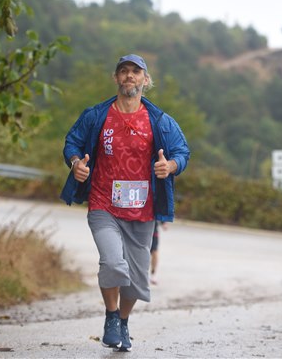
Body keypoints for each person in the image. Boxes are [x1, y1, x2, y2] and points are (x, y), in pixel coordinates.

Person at [60, 54, 190, 352]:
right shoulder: (97, 115)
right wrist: (76, 163)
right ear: (116, 78)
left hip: (143, 210)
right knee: (112, 262)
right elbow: (72, 142)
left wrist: (170, 166)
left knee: (136, 276)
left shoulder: (160, 121)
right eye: (123, 71)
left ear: (146, 80)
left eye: (136, 71)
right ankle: (110, 315)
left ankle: (123, 321)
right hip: (103, 203)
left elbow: (182, 152)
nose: (129, 75)